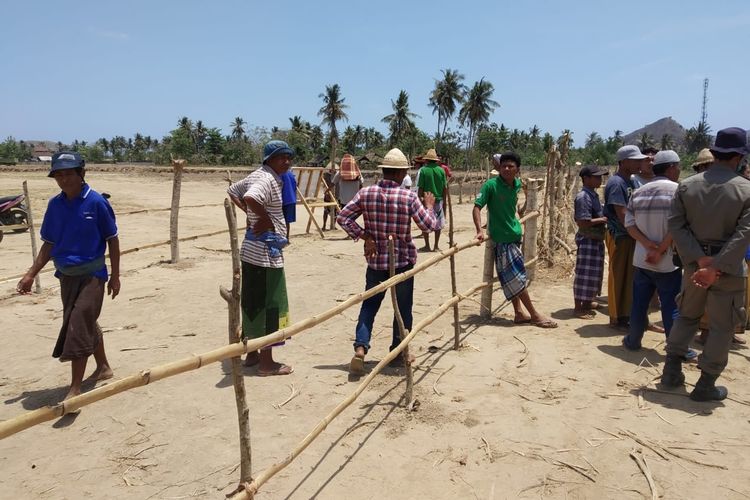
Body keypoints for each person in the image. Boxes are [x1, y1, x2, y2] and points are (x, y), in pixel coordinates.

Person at [17, 152, 120, 402]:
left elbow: (112, 240)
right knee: (85, 323)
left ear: (81, 174)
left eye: (69, 174)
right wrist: (31, 274)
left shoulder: (96, 203)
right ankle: (104, 367)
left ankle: (74, 388)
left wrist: (115, 276)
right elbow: (49, 244)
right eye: (59, 175)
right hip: (66, 276)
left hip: (93, 275)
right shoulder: (55, 205)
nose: (64, 180)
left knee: (77, 326)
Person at [660, 127, 750, 402]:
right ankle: (706, 384)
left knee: (686, 316)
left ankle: (671, 372)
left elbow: (676, 224)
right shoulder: (746, 189)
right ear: (739, 156)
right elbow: (744, 233)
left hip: (694, 268)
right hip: (728, 270)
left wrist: (699, 259)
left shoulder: (688, 185)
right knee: (722, 327)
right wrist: (716, 267)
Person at [336, 148, 439, 375]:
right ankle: (398, 351)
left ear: (384, 171)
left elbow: (342, 217)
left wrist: (366, 236)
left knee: (369, 305)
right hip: (402, 261)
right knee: (403, 308)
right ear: (402, 173)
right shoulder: (408, 196)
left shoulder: (366, 193)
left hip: (375, 261)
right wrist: (430, 207)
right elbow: (429, 225)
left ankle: (361, 348)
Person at [227, 140, 294, 376]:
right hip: (266, 254)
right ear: (269, 159)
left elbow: (234, 191)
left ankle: (252, 353)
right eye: (280, 157)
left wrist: (249, 213)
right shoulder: (266, 179)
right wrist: (263, 218)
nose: (286, 162)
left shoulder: (258, 175)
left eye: (288, 157)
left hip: (251, 252)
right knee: (271, 305)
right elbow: (252, 197)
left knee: (253, 302)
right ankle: (266, 363)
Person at [621, 151, 696, 359]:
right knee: (671, 305)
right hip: (667, 262)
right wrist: (661, 249)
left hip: (642, 260)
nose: (680, 170)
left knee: (639, 304)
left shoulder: (639, 192)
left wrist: (648, 246)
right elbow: (679, 225)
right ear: (671, 167)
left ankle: (633, 340)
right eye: (679, 166)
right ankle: (676, 348)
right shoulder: (679, 191)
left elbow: (629, 224)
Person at [473, 152, 557, 328]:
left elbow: (516, 201)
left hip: (515, 236)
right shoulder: (490, 186)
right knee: (517, 279)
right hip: (502, 240)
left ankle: (519, 313)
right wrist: (479, 230)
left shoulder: (517, 184)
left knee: (512, 279)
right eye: (503, 166)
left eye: (511, 166)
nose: (506, 169)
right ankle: (534, 314)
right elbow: (477, 207)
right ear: (499, 168)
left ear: (517, 169)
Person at [604, 145, 647, 329]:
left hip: (629, 235)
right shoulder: (617, 183)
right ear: (624, 162)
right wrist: (637, 232)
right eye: (636, 160)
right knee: (619, 276)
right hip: (620, 235)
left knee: (628, 277)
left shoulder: (631, 182)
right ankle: (617, 317)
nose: (640, 163)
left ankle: (626, 315)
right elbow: (621, 213)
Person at [573, 165, 608, 319]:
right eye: (596, 177)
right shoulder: (583, 197)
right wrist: (603, 219)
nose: (600, 180)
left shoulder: (592, 195)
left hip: (595, 239)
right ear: (586, 179)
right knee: (584, 273)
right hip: (588, 239)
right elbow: (582, 221)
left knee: (593, 273)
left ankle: (587, 302)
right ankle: (578, 307)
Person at [417, 148, 448, 251]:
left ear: (426, 160)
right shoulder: (441, 171)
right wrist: (445, 203)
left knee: (425, 222)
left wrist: (419, 201)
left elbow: (420, 188)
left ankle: (427, 245)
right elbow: (445, 188)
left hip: (426, 200)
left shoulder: (424, 171)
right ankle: (436, 246)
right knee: (438, 224)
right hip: (438, 201)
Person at [280, 169, 297, 239]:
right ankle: (286, 238)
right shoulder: (290, 174)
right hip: (291, 199)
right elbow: (296, 185)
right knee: (287, 221)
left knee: (280, 220)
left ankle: (282, 237)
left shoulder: (280, 173)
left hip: (284, 199)